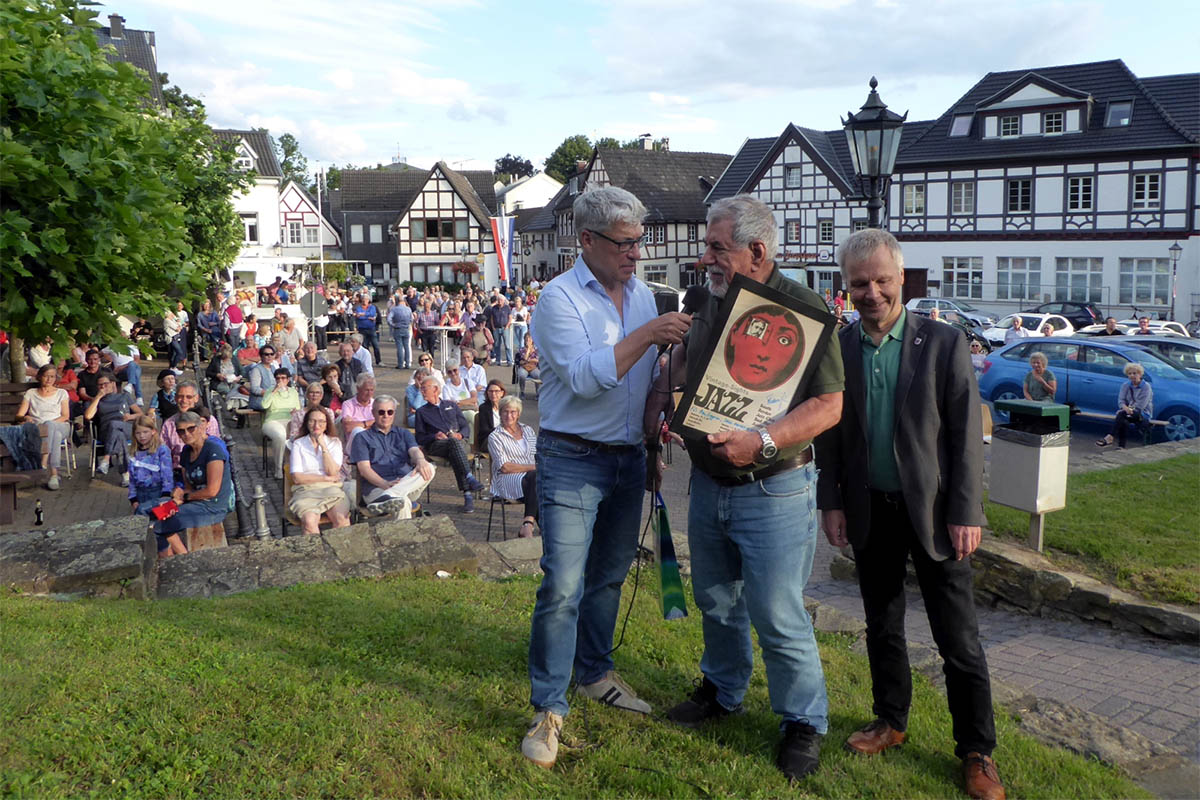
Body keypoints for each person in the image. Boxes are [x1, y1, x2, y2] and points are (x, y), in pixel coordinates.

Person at [644, 194, 843, 782]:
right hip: (708, 484)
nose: (705, 257)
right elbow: (687, 373)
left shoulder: (804, 311)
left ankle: (803, 722)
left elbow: (828, 406)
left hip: (773, 486)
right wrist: (666, 395)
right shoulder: (711, 303)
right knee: (716, 600)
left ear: (756, 251)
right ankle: (722, 691)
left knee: (778, 612)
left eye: (716, 248)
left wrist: (761, 441)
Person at [815, 228, 1003, 800]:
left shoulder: (944, 342)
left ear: (901, 280)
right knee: (882, 627)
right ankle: (890, 720)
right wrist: (832, 500)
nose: (871, 292)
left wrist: (966, 510)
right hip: (871, 509)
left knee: (959, 642)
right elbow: (831, 434)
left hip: (937, 515)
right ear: (845, 288)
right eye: (858, 284)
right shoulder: (840, 346)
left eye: (880, 281)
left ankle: (976, 751)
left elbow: (966, 435)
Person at [521, 186, 691, 769]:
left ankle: (594, 671)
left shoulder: (643, 295)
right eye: (624, 244)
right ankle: (548, 707)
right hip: (571, 457)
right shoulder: (557, 300)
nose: (636, 255)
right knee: (563, 584)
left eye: (640, 242)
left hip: (626, 458)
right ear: (586, 240)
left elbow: (646, 385)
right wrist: (647, 335)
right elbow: (587, 377)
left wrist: (653, 441)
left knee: (610, 577)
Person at [157, 411, 235, 555]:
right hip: (194, 502)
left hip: (212, 507)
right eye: (181, 431)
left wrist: (184, 498)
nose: (186, 434)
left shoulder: (213, 450)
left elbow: (212, 491)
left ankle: (183, 559)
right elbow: (188, 487)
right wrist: (176, 499)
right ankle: (173, 558)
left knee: (159, 524)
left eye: (190, 429)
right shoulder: (186, 451)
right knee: (156, 513)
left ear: (200, 428)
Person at [349, 394, 435, 520]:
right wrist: (384, 484)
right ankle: (405, 540)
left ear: (394, 413)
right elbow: (364, 469)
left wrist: (421, 460)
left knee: (430, 467)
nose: (386, 416)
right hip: (376, 489)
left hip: (405, 485)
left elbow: (415, 451)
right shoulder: (362, 438)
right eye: (381, 412)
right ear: (373, 413)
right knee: (402, 502)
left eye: (390, 412)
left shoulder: (404, 433)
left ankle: (391, 494)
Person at [413, 377, 485, 512]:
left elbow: (465, 426)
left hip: (459, 442)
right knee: (453, 444)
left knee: (454, 447)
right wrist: (435, 436)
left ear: (435, 389)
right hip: (437, 445)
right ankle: (469, 480)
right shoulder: (421, 412)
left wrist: (460, 435)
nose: (421, 392)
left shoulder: (451, 405)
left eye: (424, 389)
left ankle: (468, 493)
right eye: (421, 389)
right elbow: (420, 437)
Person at [288, 406, 352, 534]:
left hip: (331, 490)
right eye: (312, 421)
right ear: (307, 423)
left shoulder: (334, 443)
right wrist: (326, 478)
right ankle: (317, 554)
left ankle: (338, 552)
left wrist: (323, 446)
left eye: (321, 421)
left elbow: (333, 472)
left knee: (342, 520)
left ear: (326, 424)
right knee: (309, 522)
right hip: (306, 490)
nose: (317, 425)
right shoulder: (298, 444)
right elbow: (297, 478)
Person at [127, 415, 179, 555]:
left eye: (145, 432)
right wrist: (133, 498)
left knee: (160, 529)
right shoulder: (133, 453)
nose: (142, 436)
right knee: (147, 529)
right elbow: (131, 478)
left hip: (158, 493)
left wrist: (165, 496)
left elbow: (167, 474)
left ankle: (169, 557)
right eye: (138, 433)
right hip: (141, 493)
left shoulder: (162, 450)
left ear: (153, 431)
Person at [488, 395, 538, 538]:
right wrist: (533, 467)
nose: (509, 415)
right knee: (536, 479)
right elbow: (504, 467)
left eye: (513, 412)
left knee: (543, 481)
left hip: (531, 479)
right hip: (506, 479)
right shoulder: (495, 436)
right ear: (500, 413)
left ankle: (528, 524)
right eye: (505, 411)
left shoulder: (528, 430)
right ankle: (532, 525)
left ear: (519, 413)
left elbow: (536, 455)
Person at [16, 363, 71, 490]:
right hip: (38, 429)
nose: (49, 379)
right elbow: (19, 415)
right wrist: (25, 417)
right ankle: (53, 475)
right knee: (55, 436)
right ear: (40, 377)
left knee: (50, 426)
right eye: (46, 376)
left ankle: (43, 461)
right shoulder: (31, 393)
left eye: (52, 376)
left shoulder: (62, 393)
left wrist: (47, 425)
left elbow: (65, 416)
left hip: (61, 425)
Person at [84, 372, 142, 484]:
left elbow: (140, 414)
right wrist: (98, 397)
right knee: (117, 432)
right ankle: (126, 474)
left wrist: (130, 416)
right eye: (100, 385)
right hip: (107, 432)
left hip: (126, 428)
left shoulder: (124, 396)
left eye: (105, 384)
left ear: (112, 384)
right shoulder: (96, 401)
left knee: (115, 425)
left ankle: (106, 459)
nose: (102, 387)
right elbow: (88, 416)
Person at [161, 381, 221, 472]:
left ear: (196, 398)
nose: (184, 400)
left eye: (189, 397)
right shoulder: (169, 424)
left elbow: (214, 450)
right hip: (177, 471)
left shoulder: (208, 420)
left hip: (204, 469)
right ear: (176, 398)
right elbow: (163, 454)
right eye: (180, 396)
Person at [1097, 362, 1153, 449]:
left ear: (1140, 374)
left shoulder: (1146, 387)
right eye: (1130, 373)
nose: (1132, 375)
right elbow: (1121, 400)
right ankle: (1121, 447)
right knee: (1123, 419)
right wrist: (1125, 408)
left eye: (1134, 373)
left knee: (1121, 415)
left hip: (1142, 414)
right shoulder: (1125, 385)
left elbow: (1140, 406)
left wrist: (1128, 409)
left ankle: (1110, 437)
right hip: (1127, 412)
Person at [262, 367, 301, 479]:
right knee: (280, 435)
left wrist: (295, 411)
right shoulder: (270, 391)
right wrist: (274, 391)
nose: (280, 381)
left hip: (289, 419)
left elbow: (297, 408)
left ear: (288, 379)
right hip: (273, 420)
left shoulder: (293, 392)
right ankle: (278, 468)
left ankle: (295, 467)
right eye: (278, 378)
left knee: (300, 435)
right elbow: (264, 406)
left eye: (283, 378)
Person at [101, 339, 144, 403]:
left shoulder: (132, 346)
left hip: (129, 368)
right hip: (119, 372)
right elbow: (100, 353)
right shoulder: (112, 346)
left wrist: (122, 367)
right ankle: (138, 397)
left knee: (133, 366)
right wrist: (109, 358)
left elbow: (136, 361)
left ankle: (130, 384)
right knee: (136, 372)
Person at [340, 373, 377, 445]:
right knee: (357, 431)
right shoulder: (348, 404)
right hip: (354, 445)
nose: (369, 393)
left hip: (374, 442)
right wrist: (370, 423)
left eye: (371, 390)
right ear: (358, 389)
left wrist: (357, 424)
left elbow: (381, 427)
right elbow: (348, 427)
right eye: (366, 390)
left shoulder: (376, 404)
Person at [206, 343, 244, 411]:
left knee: (237, 389)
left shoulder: (234, 359)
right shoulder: (216, 360)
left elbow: (242, 371)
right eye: (225, 357)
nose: (227, 358)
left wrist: (239, 377)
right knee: (227, 390)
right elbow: (208, 372)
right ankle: (229, 408)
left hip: (233, 381)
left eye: (228, 357)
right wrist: (217, 375)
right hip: (219, 382)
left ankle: (232, 407)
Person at [474, 379, 506, 452]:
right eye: (490, 391)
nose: (493, 394)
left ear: (502, 393)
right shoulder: (484, 408)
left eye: (496, 391)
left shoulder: (507, 407)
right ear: (487, 393)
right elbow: (484, 430)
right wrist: (502, 430)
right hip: (488, 439)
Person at [354, 293, 382, 365]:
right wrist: (368, 316)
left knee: (375, 345)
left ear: (368, 300)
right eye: (363, 299)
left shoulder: (372, 307)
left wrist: (363, 314)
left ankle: (379, 361)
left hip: (371, 329)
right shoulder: (358, 308)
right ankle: (367, 361)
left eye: (366, 299)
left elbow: (372, 314)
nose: (364, 301)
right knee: (365, 346)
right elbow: (358, 317)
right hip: (362, 329)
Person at [388, 294, 414, 370]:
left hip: (398, 329)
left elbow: (389, 319)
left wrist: (393, 325)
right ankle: (408, 363)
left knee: (399, 347)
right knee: (407, 347)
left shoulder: (394, 309)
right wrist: (408, 324)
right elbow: (412, 319)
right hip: (406, 328)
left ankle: (400, 364)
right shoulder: (408, 309)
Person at [515, 333, 540, 399]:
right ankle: (522, 392)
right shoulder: (522, 349)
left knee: (538, 375)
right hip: (524, 367)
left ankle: (538, 392)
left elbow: (537, 360)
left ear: (532, 340)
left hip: (533, 367)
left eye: (529, 339)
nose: (527, 341)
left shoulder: (536, 350)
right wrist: (528, 349)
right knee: (521, 375)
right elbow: (525, 358)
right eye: (526, 339)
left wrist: (528, 360)